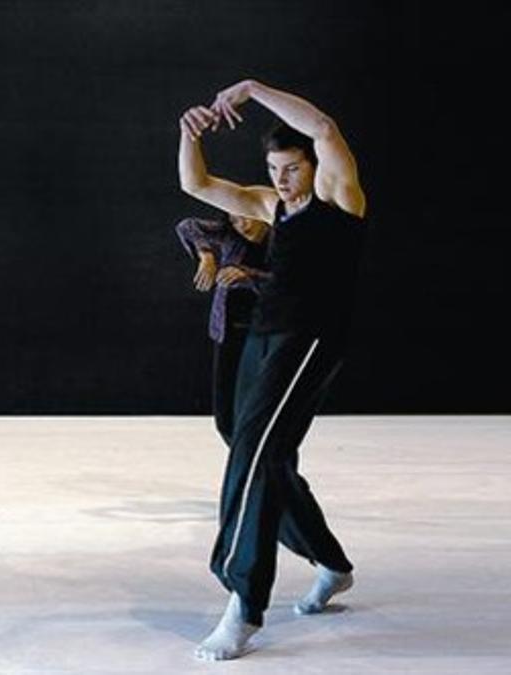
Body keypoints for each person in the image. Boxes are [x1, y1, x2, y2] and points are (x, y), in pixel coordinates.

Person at [178, 79, 367, 660]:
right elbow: (197, 184)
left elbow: (325, 128)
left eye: (290, 168)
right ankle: (330, 563)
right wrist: (189, 134)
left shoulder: (340, 197)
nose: (281, 179)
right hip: (261, 336)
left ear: (312, 166)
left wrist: (254, 90)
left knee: (255, 452)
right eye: (273, 168)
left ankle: (243, 601)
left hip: (309, 339)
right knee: (251, 444)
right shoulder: (270, 206)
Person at [175, 212, 270, 446]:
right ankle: (248, 466)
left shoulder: (279, 240)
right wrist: (206, 255)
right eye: (235, 220)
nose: (242, 225)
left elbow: (288, 282)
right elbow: (188, 224)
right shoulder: (230, 235)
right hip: (228, 331)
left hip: (265, 333)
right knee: (225, 417)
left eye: (246, 218)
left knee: (258, 409)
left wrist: (248, 275)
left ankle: (261, 469)